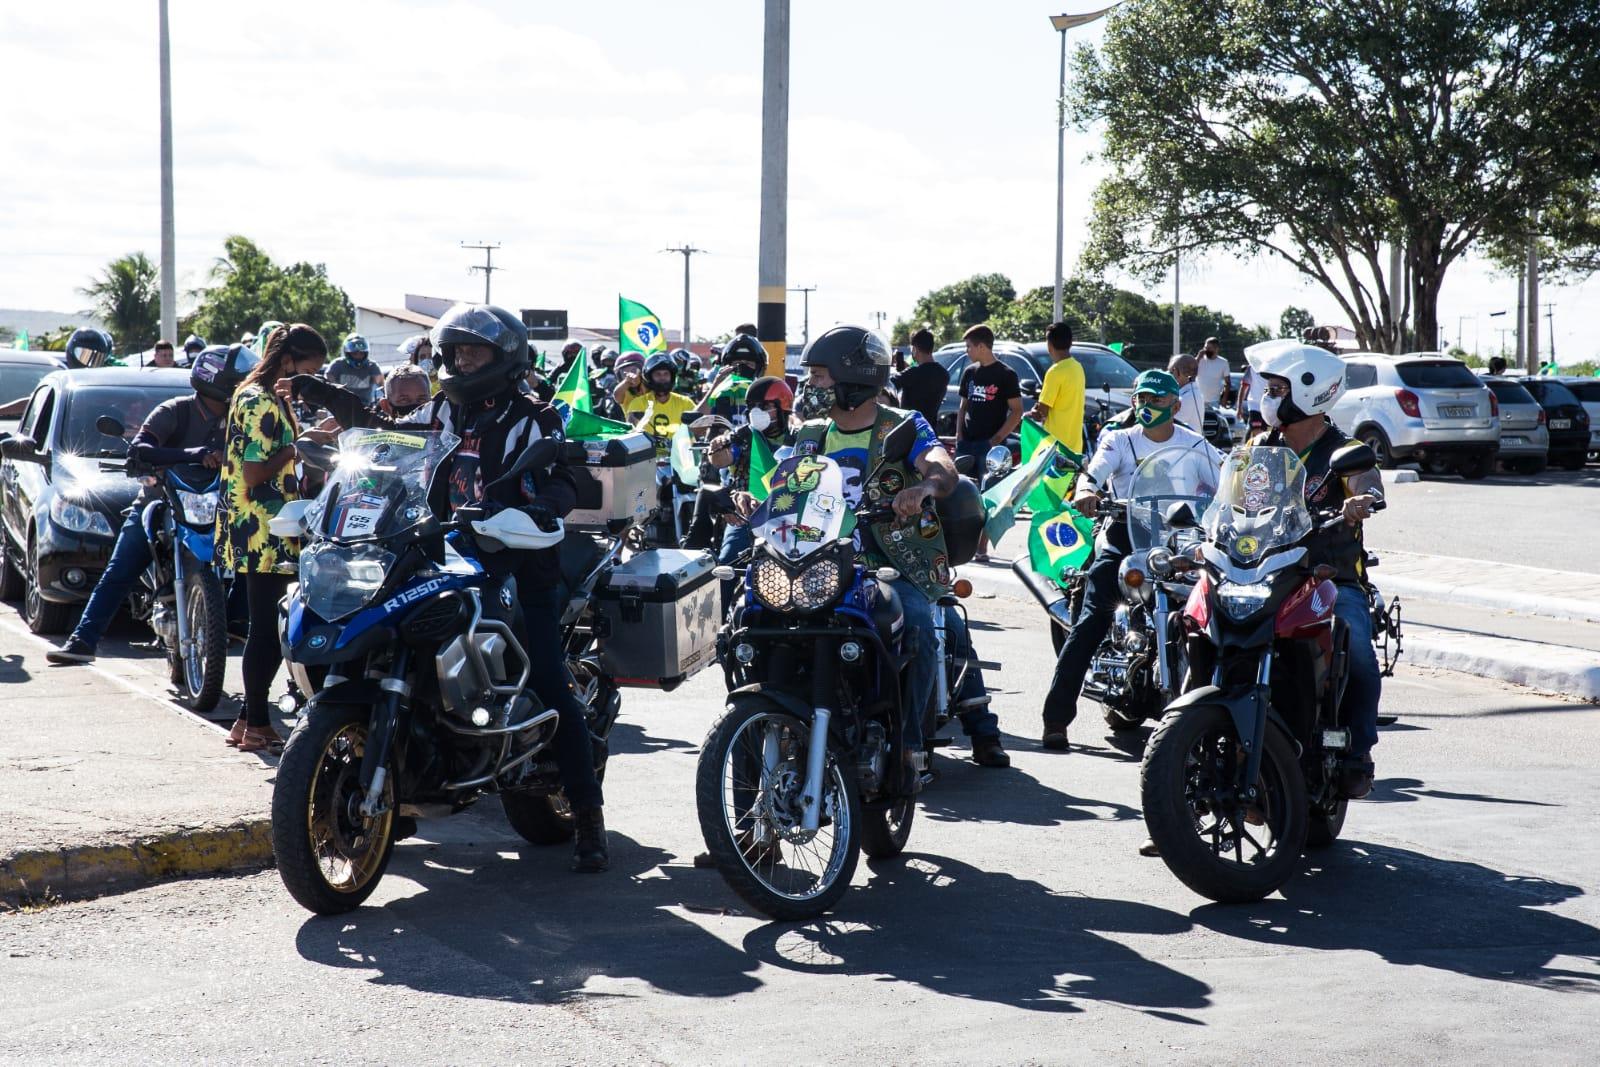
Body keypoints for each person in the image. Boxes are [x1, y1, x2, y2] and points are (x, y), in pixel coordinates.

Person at [289, 303, 608, 872]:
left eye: (474, 353)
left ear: (504, 358)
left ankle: (587, 816)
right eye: (455, 352)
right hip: (434, 552)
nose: (462, 362)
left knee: (552, 687)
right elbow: (386, 443)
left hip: (514, 561)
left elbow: (564, 479)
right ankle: (398, 776)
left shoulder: (534, 419)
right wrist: (334, 407)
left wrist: (537, 508)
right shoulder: (440, 409)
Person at [787, 325, 1009, 771]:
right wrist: (754, 503)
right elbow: (787, 492)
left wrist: (926, 486)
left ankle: (909, 745)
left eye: (819, 377)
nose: (809, 387)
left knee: (923, 629)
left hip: (893, 562)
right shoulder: (809, 433)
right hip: (823, 563)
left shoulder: (904, 426)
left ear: (853, 381)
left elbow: (940, 465)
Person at [1041, 370, 1220, 751]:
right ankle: (1056, 719)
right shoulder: (1118, 440)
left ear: (1176, 405)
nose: (1146, 406)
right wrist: (1088, 490)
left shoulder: (1196, 446)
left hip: (1179, 540)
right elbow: (1095, 472)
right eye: (1141, 398)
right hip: (1125, 534)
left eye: (1156, 400)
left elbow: (1225, 483)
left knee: (1224, 607)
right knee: (1093, 617)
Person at [44, 345, 248, 665]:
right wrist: (193, 454)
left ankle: (235, 626)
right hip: (161, 501)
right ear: (218, 382)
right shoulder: (174, 411)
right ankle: (82, 640)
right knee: (120, 568)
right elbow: (141, 447)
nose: (244, 388)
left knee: (252, 561)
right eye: (240, 382)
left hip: (215, 506)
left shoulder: (240, 420)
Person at [1251, 344, 1385, 799]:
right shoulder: (1260, 448)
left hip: (1329, 577)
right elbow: (1225, 495)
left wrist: (1360, 503)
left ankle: (1357, 751)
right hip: (1265, 574)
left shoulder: (1346, 451)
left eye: (1277, 390)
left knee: (1359, 651)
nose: (1268, 398)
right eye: (1268, 389)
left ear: (1310, 393)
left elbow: (1369, 485)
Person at [218, 324, 329, 753]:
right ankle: (260, 724)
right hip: (264, 527)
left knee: (268, 625)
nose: (310, 379)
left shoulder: (256, 394)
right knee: (267, 629)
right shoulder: (262, 401)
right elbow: (255, 471)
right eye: (308, 369)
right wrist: (298, 447)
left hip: (263, 523)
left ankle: (246, 721)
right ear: (287, 361)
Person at [707, 376, 795, 605]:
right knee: (726, 567)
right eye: (753, 407)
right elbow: (721, 458)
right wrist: (717, 447)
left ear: (782, 407)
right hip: (747, 515)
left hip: (792, 516)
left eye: (765, 407)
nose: (757, 412)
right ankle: (717, 627)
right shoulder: (742, 436)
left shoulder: (800, 437)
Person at [954, 324, 1021, 562]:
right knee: (959, 494)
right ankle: (959, 544)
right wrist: (959, 435)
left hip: (990, 447)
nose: (967, 351)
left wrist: (997, 438)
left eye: (970, 346)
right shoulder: (970, 372)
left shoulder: (1006, 374)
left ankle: (982, 547)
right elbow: (963, 407)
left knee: (988, 497)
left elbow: (1016, 411)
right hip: (967, 443)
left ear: (982, 346)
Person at [1034, 320, 1085, 455]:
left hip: (1054, 448)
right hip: (1075, 447)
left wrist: (1032, 412)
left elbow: (1041, 412)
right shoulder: (1078, 368)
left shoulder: (1055, 372)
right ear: (1071, 342)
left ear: (1049, 345)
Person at [635, 352, 696, 456]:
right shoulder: (638, 403)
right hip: (648, 461)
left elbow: (698, 427)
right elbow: (634, 434)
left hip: (681, 461)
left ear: (672, 377)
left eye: (666, 374)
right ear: (649, 377)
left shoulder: (686, 402)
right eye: (658, 374)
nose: (662, 377)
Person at [891, 328, 950, 429]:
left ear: (914, 349)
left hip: (911, 433)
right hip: (930, 432)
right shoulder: (943, 374)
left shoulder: (912, 374)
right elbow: (925, 375)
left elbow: (889, 384)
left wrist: (889, 361)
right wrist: (908, 369)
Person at [700, 334, 765, 424]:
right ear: (727, 366)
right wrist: (716, 386)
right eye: (737, 363)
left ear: (758, 368)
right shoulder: (720, 393)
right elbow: (697, 421)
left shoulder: (765, 393)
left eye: (748, 363)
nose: (742, 367)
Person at [325, 334, 384, 404]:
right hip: (341, 405)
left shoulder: (372, 366)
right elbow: (328, 379)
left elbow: (381, 384)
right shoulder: (337, 364)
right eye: (355, 353)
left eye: (361, 353)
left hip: (364, 406)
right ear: (348, 353)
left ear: (366, 353)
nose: (358, 356)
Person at [1167, 353, 1206, 433]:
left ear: (1179, 373)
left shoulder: (1188, 397)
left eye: (1171, 372)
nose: (1168, 376)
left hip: (1184, 445)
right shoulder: (1189, 393)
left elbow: (1164, 425)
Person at [612, 351, 650, 419]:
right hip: (635, 428)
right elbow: (616, 394)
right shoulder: (626, 394)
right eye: (624, 373)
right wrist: (627, 382)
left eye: (634, 370)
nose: (630, 375)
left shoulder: (651, 388)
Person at [1195, 336, 1229, 406]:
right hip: (1198, 399)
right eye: (1205, 348)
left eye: (1209, 348)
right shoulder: (1200, 359)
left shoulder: (1223, 362)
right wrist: (1198, 357)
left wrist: (1224, 399)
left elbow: (1227, 382)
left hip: (1215, 401)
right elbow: (1189, 370)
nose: (1206, 350)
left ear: (1216, 349)